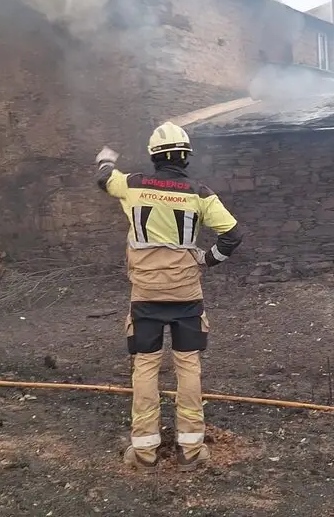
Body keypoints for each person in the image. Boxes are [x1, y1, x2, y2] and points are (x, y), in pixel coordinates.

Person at [95, 121, 243, 471]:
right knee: (188, 364)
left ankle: (145, 451)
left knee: (146, 366)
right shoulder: (200, 193)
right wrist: (208, 259)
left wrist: (105, 158)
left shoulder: (133, 185)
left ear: (154, 156)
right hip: (185, 293)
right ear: (186, 157)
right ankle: (191, 448)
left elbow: (105, 179)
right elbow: (233, 235)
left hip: (146, 294)